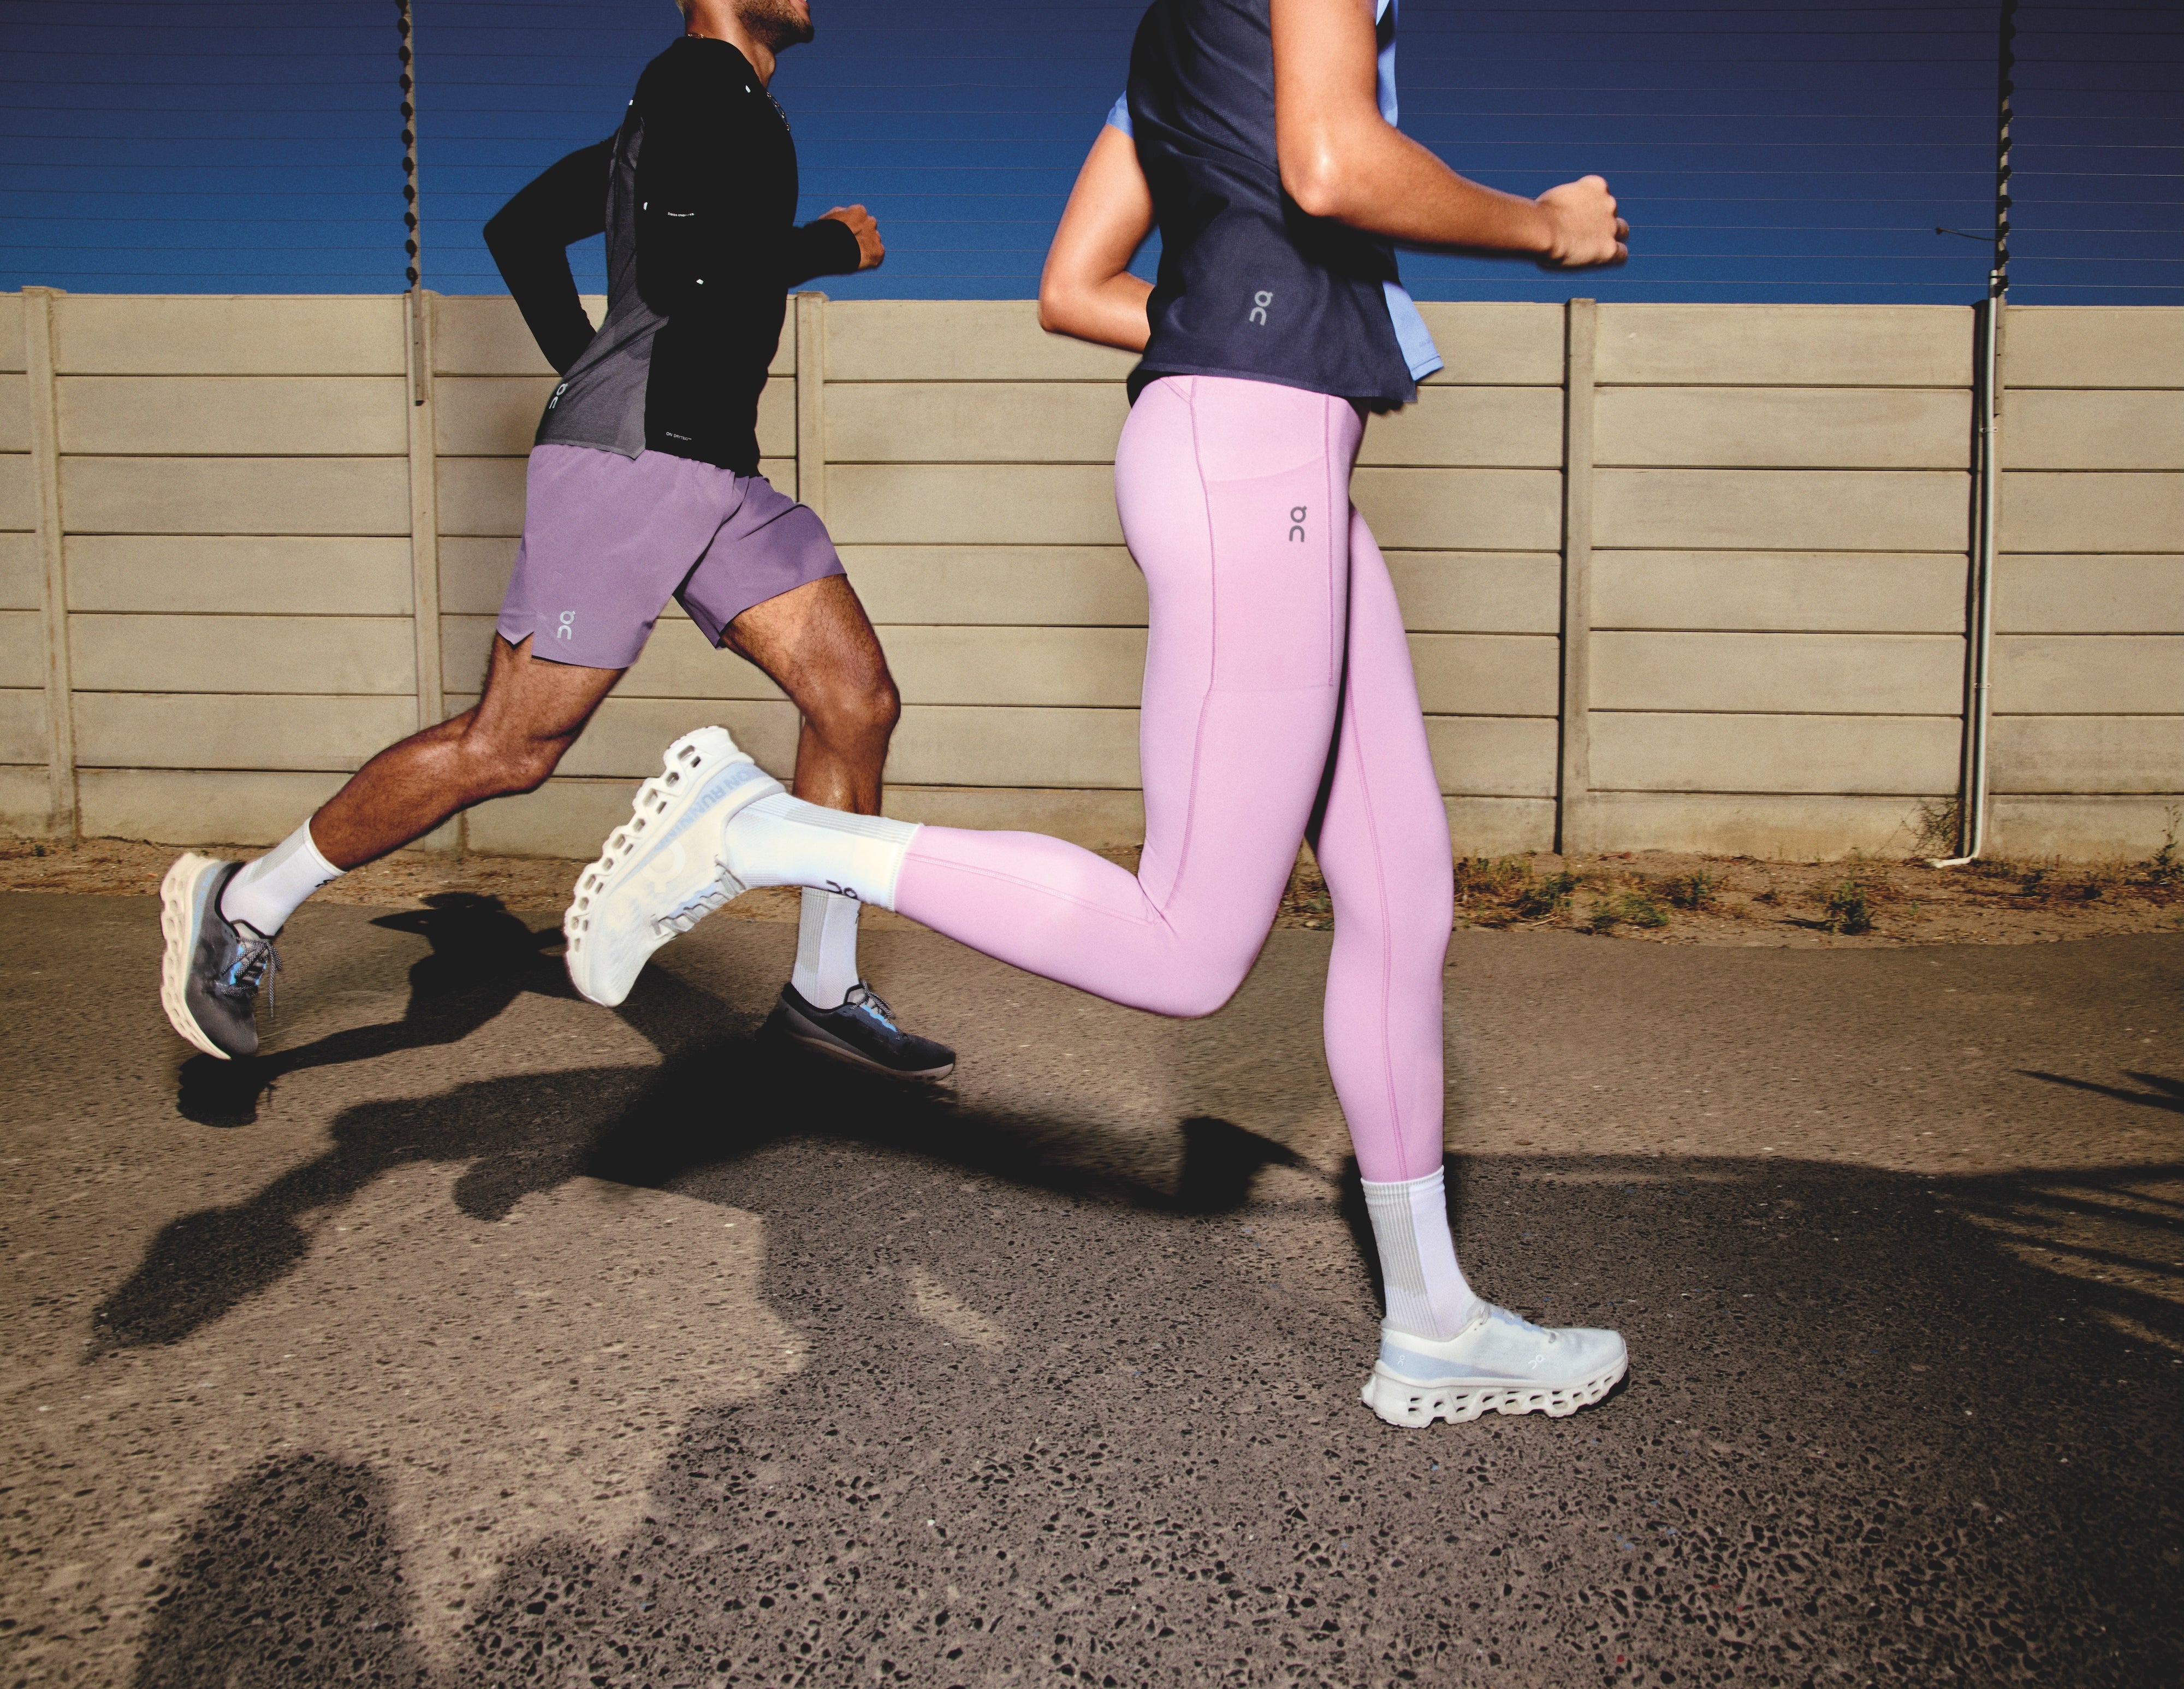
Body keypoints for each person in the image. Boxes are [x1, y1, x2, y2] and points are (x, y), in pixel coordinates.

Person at [561, 0, 1630, 1427]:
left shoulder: (1174, 42)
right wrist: (1542, 223)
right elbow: (1331, 161)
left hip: (1264, 442)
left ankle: (1433, 1320)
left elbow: (1076, 283)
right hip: (1255, 459)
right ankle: (761, 824)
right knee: (1192, 945)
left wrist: (1276, 323)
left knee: (1404, 891)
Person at [158, 0, 954, 1083]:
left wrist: (592, 370)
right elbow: (689, 273)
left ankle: (822, 985)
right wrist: (820, 246)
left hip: (710, 466)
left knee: (853, 699)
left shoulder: (680, 114)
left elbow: (521, 231)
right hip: (636, 465)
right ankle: (243, 901)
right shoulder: (698, 87)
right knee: (511, 748)